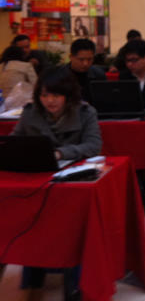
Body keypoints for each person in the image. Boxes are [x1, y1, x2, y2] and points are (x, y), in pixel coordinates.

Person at [11, 67, 101, 298]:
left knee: (72, 223)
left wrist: (61, 153)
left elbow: (93, 146)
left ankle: (74, 282)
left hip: (72, 180)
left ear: (68, 95)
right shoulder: (31, 113)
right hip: (37, 179)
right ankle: (33, 277)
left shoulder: (85, 112)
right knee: (27, 217)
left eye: (56, 95)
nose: (49, 101)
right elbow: (14, 141)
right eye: (44, 95)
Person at [64, 38, 106, 103]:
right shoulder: (60, 76)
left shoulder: (98, 75)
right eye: (81, 59)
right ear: (71, 57)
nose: (85, 64)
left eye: (89, 59)